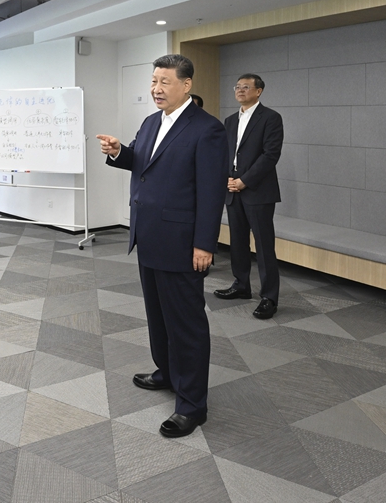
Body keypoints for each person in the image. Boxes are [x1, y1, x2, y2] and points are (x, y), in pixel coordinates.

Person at [97, 54, 228, 438]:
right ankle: (167, 372)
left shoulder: (207, 129)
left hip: (182, 243)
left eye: (164, 82)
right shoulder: (151, 121)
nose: (156, 89)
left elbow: (211, 192)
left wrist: (204, 244)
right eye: (154, 81)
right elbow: (143, 162)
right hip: (149, 236)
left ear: (186, 85)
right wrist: (119, 152)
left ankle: (192, 405)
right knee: (157, 316)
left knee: (186, 325)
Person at [214, 73, 284, 320]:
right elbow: (224, 153)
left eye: (246, 87)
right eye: (237, 87)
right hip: (232, 188)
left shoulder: (271, 118)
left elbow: (270, 155)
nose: (240, 90)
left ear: (259, 91)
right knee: (238, 242)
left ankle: (269, 297)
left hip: (257, 190)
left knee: (264, 246)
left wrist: (244, 181)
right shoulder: (230, 120)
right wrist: (227, 178)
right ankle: (241, 285)